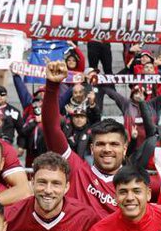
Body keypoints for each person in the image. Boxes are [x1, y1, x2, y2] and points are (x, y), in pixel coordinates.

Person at [40, 61, 130, 214]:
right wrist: (52, 86)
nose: (107, 149)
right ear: (91, 148)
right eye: (101, 144)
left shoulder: (134, 184)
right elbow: (51, 129)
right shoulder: (78, 171)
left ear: (125, 148)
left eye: (114, 144)